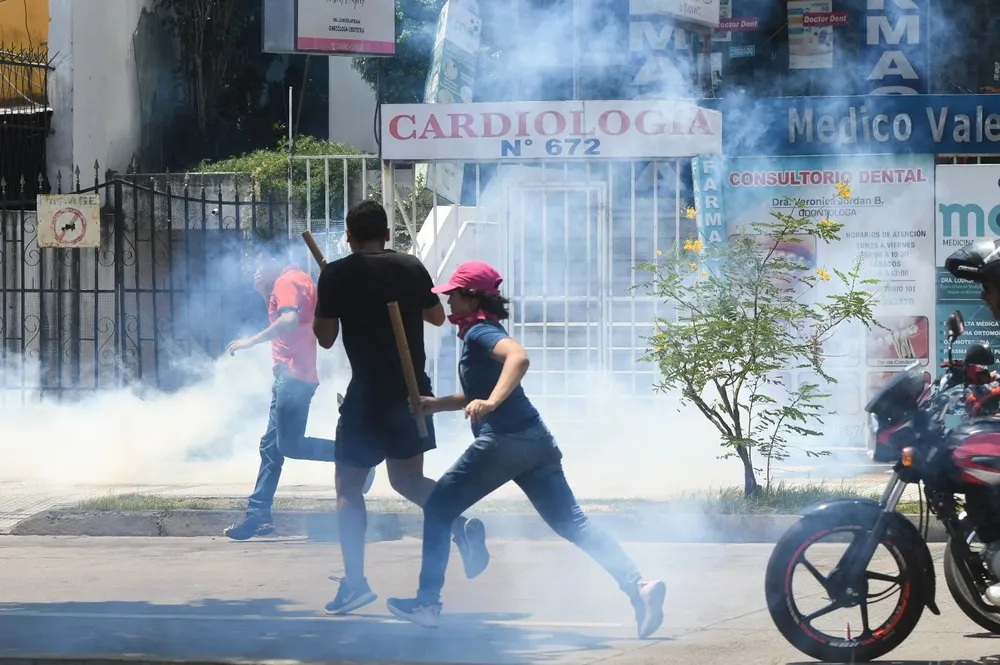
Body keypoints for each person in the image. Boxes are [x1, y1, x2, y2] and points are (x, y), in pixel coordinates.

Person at [386, 260, 667, 638]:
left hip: (504, 441)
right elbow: (478, 393)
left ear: (471, 296)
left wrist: (491, 405)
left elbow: (519, 358)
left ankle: (426, 604)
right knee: (574, 524)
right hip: (535, 441)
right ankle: (639, 586)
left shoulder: (480, 333)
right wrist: (435, 404)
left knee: (438, 506)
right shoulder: (483, 331)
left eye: (453, 293)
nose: (448, 300)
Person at [313, 200, 490, 615]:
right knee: (408, 481)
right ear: (388, 234)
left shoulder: (337, 274)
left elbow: (324, 338)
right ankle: (460, 526)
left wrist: (332, 296)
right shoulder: (410, 267)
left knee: (349, 488)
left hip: (367, 396)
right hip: (412, 390)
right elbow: (435, 318)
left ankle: (355, 583)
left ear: (348, 235)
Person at [223, 237, 376, 541]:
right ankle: (258, 515)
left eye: (261, 262)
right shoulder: (299, 279)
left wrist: (250, 341)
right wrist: (264, 291)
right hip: (294, 375)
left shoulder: (287, 282)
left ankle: (357, 455)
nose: (256, 268)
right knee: (271, 448)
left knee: (288, 446)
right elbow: (292, 316)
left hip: (293, 377)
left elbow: (290, 320)